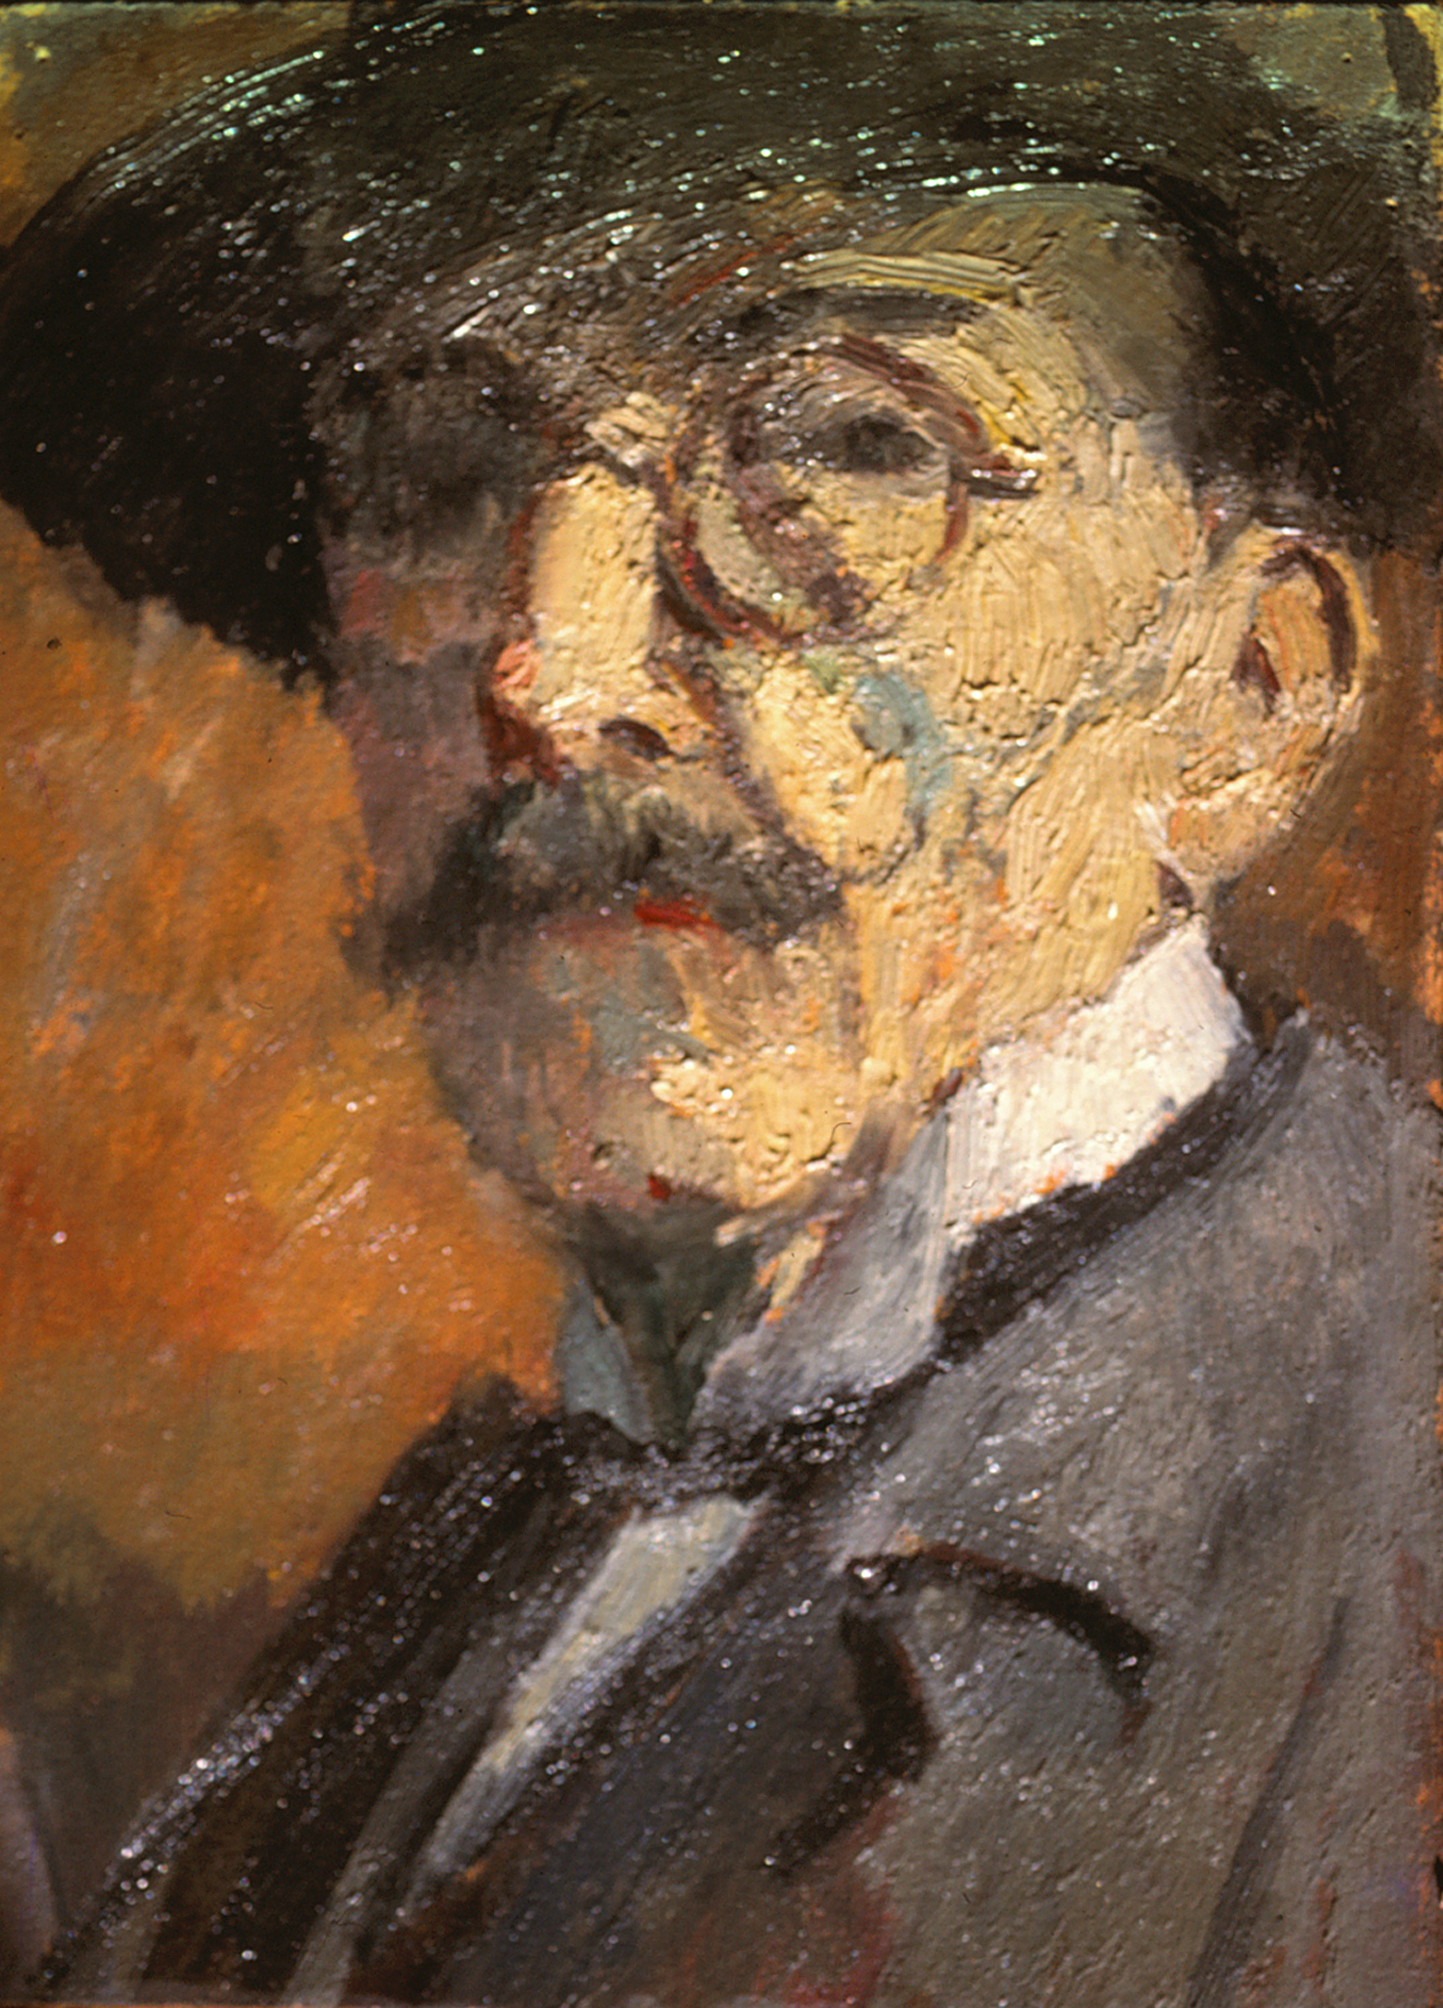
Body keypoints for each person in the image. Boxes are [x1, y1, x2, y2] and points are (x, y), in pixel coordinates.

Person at [2, 5, 1441, 2001]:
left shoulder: (1385, 1493)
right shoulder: (466, 1567)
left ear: (1247, 696)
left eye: (843, 446)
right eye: (440, 471)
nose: (549, 667)